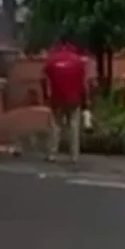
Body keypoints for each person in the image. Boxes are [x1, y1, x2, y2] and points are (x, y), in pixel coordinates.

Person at [42, 36, 87, 164]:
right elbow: (83, 82)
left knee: (55, 126)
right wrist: (85, 99)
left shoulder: (52, 60)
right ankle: (74, 156)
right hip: (74, 99)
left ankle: (52, 154)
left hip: (57, 98)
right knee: (74, 126)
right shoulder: (78, 60)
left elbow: (44, 79)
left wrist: (46, 95)